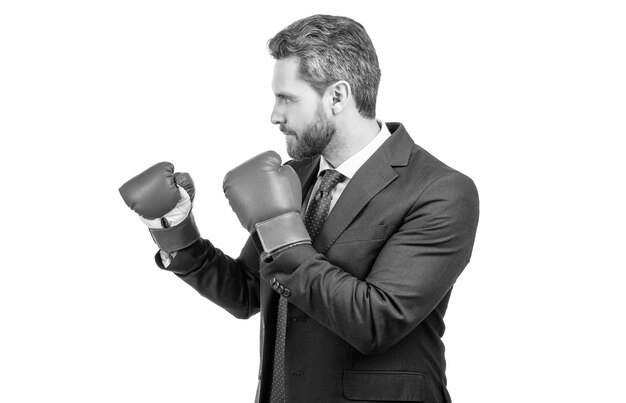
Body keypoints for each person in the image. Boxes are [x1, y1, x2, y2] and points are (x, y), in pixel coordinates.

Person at [120, 14, 479, 403]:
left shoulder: (439, 191)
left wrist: (281, 233)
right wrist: (176, 230)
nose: (274, 115)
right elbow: (247, 291)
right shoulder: (296, 176)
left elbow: (377, 321)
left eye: (287, 98)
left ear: (338, 97)